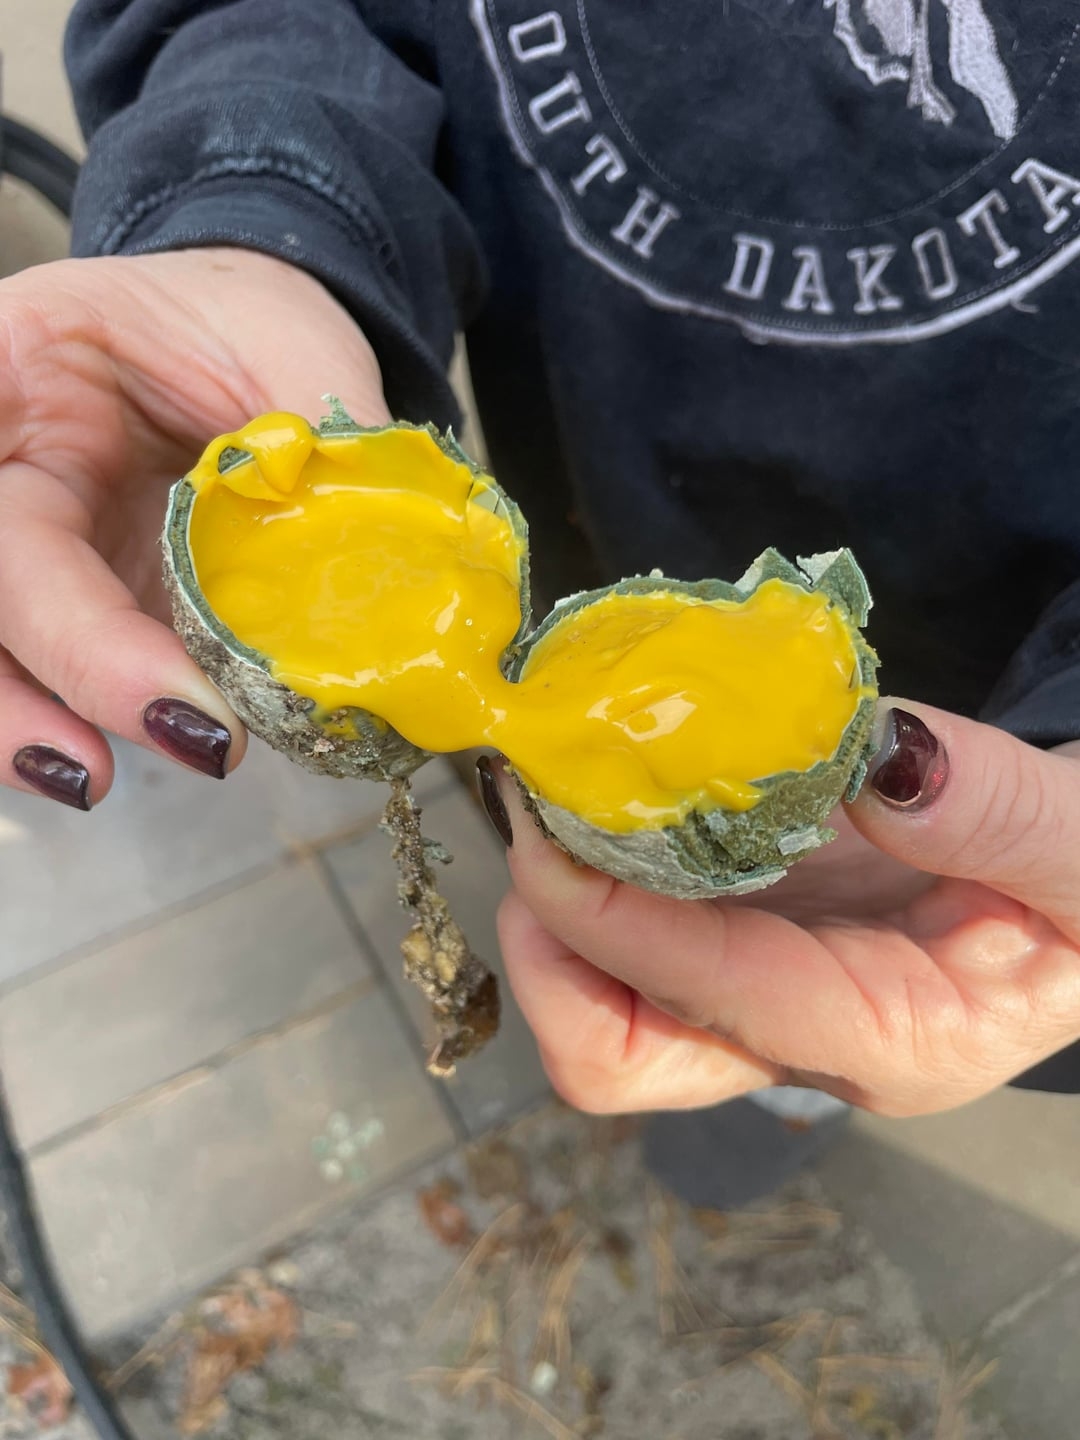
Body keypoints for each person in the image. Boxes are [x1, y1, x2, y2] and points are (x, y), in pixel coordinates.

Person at [1, 2, 1078, 1203]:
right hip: (584, 541)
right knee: (660, 925)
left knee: (778, 998)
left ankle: (780, 1090)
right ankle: (770, 1059)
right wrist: (255, 217)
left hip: (1014, 698)